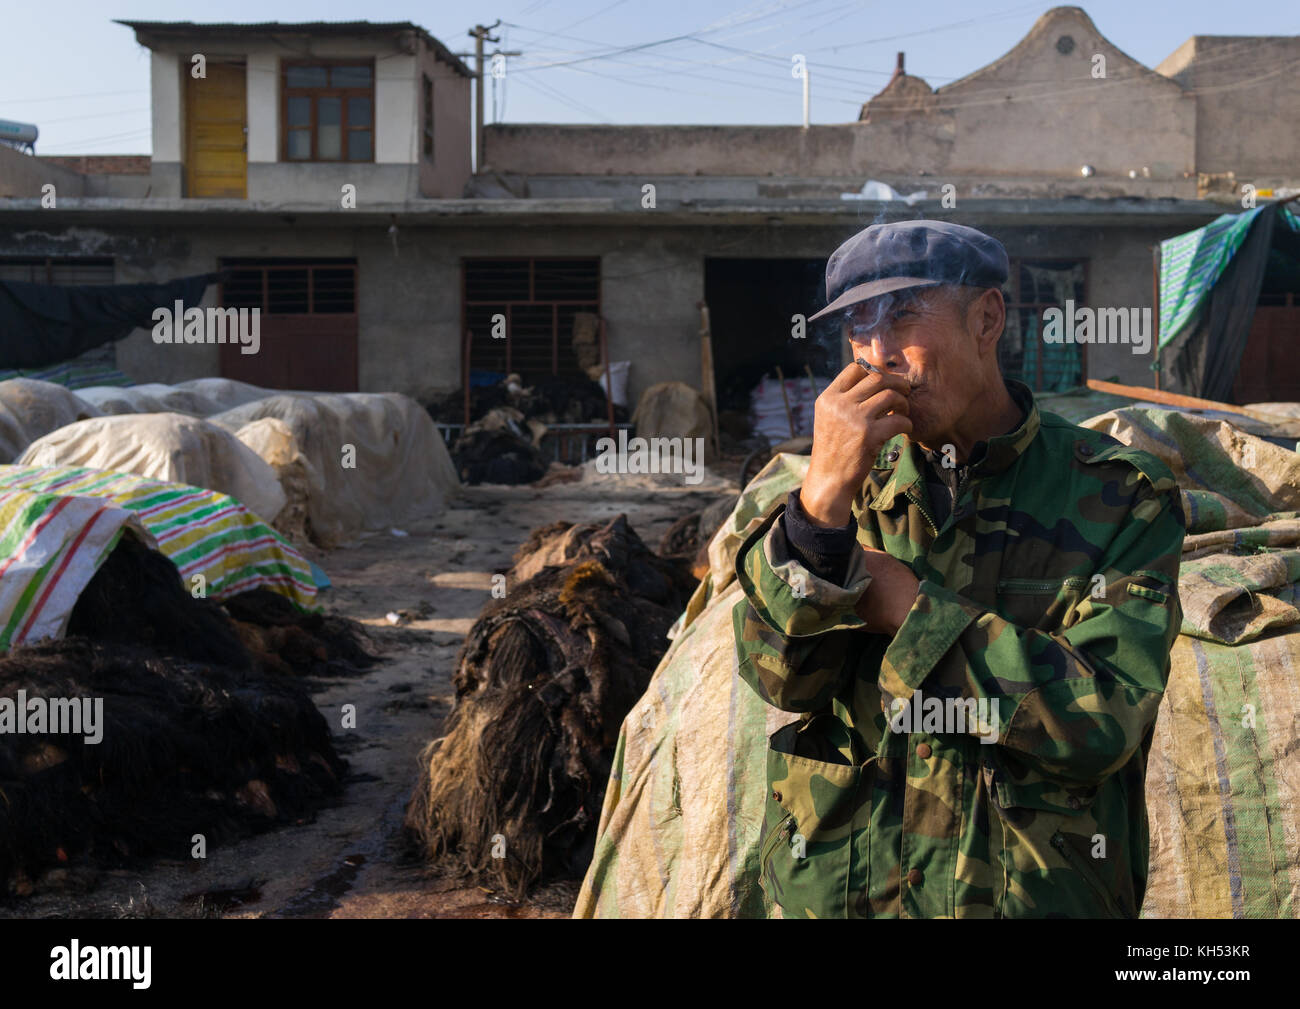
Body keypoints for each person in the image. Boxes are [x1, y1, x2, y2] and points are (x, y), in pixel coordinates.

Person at [732, 219, 1186, 918]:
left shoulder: (1118, 496)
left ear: (986, 318)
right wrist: (819, 513)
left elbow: (1104, 721)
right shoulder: (829, 494)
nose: (879, 355)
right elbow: (783, 680)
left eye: (903, 316)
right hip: (844, 894)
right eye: (859, 330)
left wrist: (912, 611)